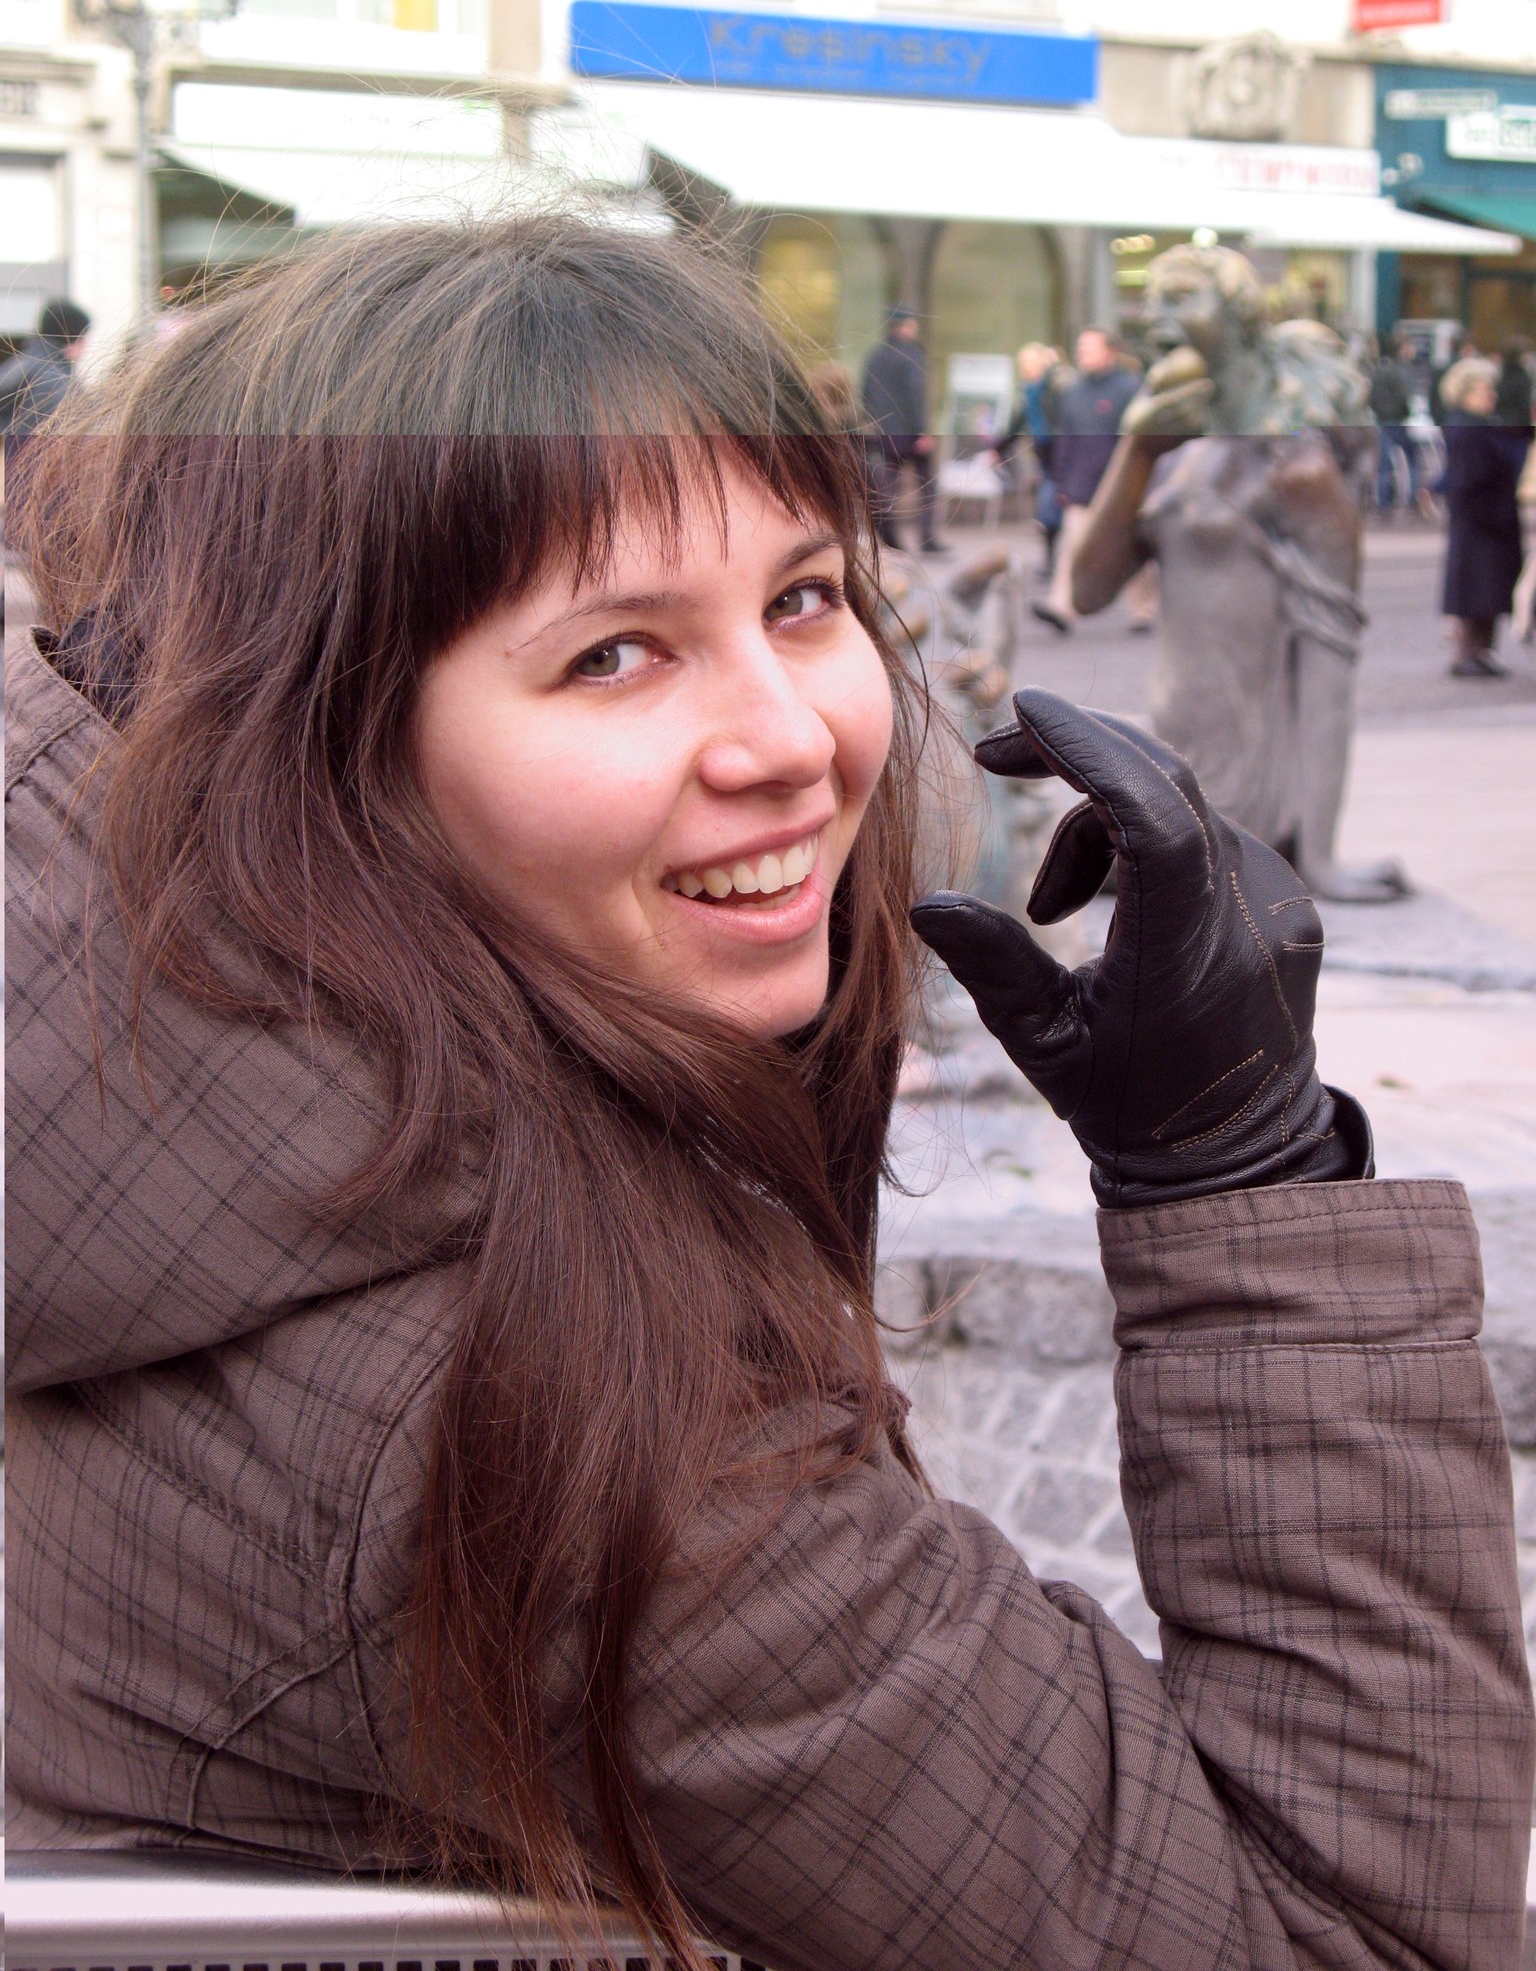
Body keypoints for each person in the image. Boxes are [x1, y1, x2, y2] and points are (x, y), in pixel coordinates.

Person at [8, 216, 1533, 1971]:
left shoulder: (192, 1060)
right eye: (612, 653)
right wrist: (1242, 1179)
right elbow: (1354, 1934)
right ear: (319, 739)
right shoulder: (550, 1422)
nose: (795, 737)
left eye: (803, 598)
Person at [1070, 244, 1407, 905]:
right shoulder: (1170, 445)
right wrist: (1136, 451)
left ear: (1240, 315)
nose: (1154, 317)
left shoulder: (1299, 466)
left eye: (1180, 299)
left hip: (1251, 784)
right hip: (1177, 753)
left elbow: (1329, 668)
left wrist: (1320, 856)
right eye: (1152, 300)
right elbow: (1086, 592)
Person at [1032, 327, 1143, 634]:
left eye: (1089, 348)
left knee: (1137, 549)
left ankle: (1143, 610)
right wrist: (1061, 483)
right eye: (1081, 348)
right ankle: (1061, 606)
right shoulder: (1072, 392)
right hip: (1081, 485)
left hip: (1124, 485)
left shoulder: (1130, 389)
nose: (1082, 353)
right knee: (1072, 545)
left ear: (1110, 352)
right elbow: (1064, 440)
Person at [1438, 355, 1531, 678]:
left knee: (1486, 593)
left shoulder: (1478, 424)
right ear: (1466, 392)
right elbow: (1470, 480)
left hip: (1487, 522)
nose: (1492, 394)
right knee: (1478, 592)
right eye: (1484, 389)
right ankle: (1469, 653)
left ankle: (1479, 652)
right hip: (1482, 524)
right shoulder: (1469, 429)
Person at [860, 306, 947, 554]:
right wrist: (922, 431)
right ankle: (927, 538)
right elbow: (915, 395)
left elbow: (865, 396)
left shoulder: (875, 357)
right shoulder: (912, 354)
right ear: (906, 326)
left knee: (887, 488)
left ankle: (890, 539)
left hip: (884, 434)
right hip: (910, 433)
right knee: (927, 485)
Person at [989, 341, 1063, 575]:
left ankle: (1056, 557)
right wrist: (998, 448)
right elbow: (1017, 422)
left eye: (1027, 363)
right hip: (1043, 452)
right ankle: (1051, 558)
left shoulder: (1054, 387)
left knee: (1052, 500)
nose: (1023, 368)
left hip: (1060, 451)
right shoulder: (1028, 390)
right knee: (1049, 501)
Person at [0, 297, 90, 460]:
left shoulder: (17, 365)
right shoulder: (56, 383)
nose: (86, 345)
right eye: (84, 337)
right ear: (72, 337)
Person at [1368, 336, 1418, 514]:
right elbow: (1405, 395)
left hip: (1382, 420)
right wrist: (1407, 413)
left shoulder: (1377, 369)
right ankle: (1413, 498)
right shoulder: (1399, 369)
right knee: (1412, 459)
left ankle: (1384, 501)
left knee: (1384, 463)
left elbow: (1371, 397)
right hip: (1398, 420)